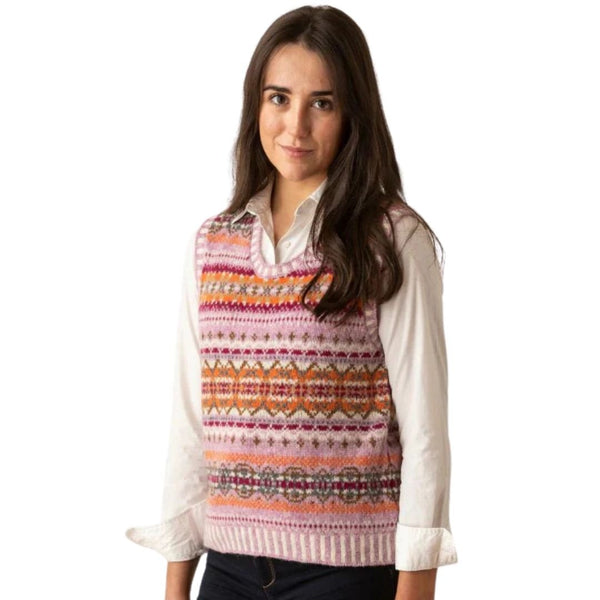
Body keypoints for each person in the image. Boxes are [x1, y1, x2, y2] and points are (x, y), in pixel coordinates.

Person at [125, 5, 458, 599]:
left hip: (345, 576)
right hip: (227, 572)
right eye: (279, 98)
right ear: (256, 104)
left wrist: (416, 588)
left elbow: (425, 435)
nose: (296, 126)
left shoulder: (391, 240)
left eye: (321, 103)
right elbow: (191, 427)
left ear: (353, 113)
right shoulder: (213, 244)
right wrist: (175, 586)